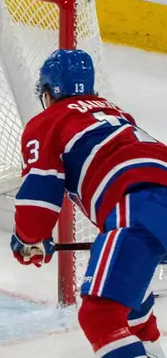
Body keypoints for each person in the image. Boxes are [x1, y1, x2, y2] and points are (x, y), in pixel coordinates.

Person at [10, 49, 167, 357]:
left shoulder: (48, 121)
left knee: (100, 315)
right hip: (148, 199)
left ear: (49, 92)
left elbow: (39, 197)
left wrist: (29, 238)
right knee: (131, 306)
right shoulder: (117, 114)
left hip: (137, 202)